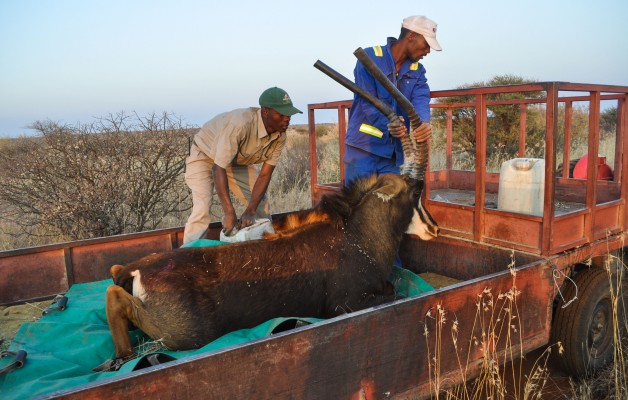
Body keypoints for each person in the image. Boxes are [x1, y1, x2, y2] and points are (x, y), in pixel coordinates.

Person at [183, 87, 302, 244]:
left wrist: (250, 210)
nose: (287, 118)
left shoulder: (280, 136)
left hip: (235, 161)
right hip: (205, 155)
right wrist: (229, 212)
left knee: (260, 207)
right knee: (202, 208)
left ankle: (264, 250)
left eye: (289, 114)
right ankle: (189, 255)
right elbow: (218, 168)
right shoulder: (240, 124)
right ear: (265, 111)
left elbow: (265, 175)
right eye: (281, 114)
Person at [344, 15, 442, 183]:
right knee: (356, 204)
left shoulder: (417, 70)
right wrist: (389, 124)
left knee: (391, 207)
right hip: (363, 149)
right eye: (426, 44)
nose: (428, 51)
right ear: (411, 36)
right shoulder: (368, 58)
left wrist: (423, 122)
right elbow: (367, 102)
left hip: (393, 154)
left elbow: (421, 96)